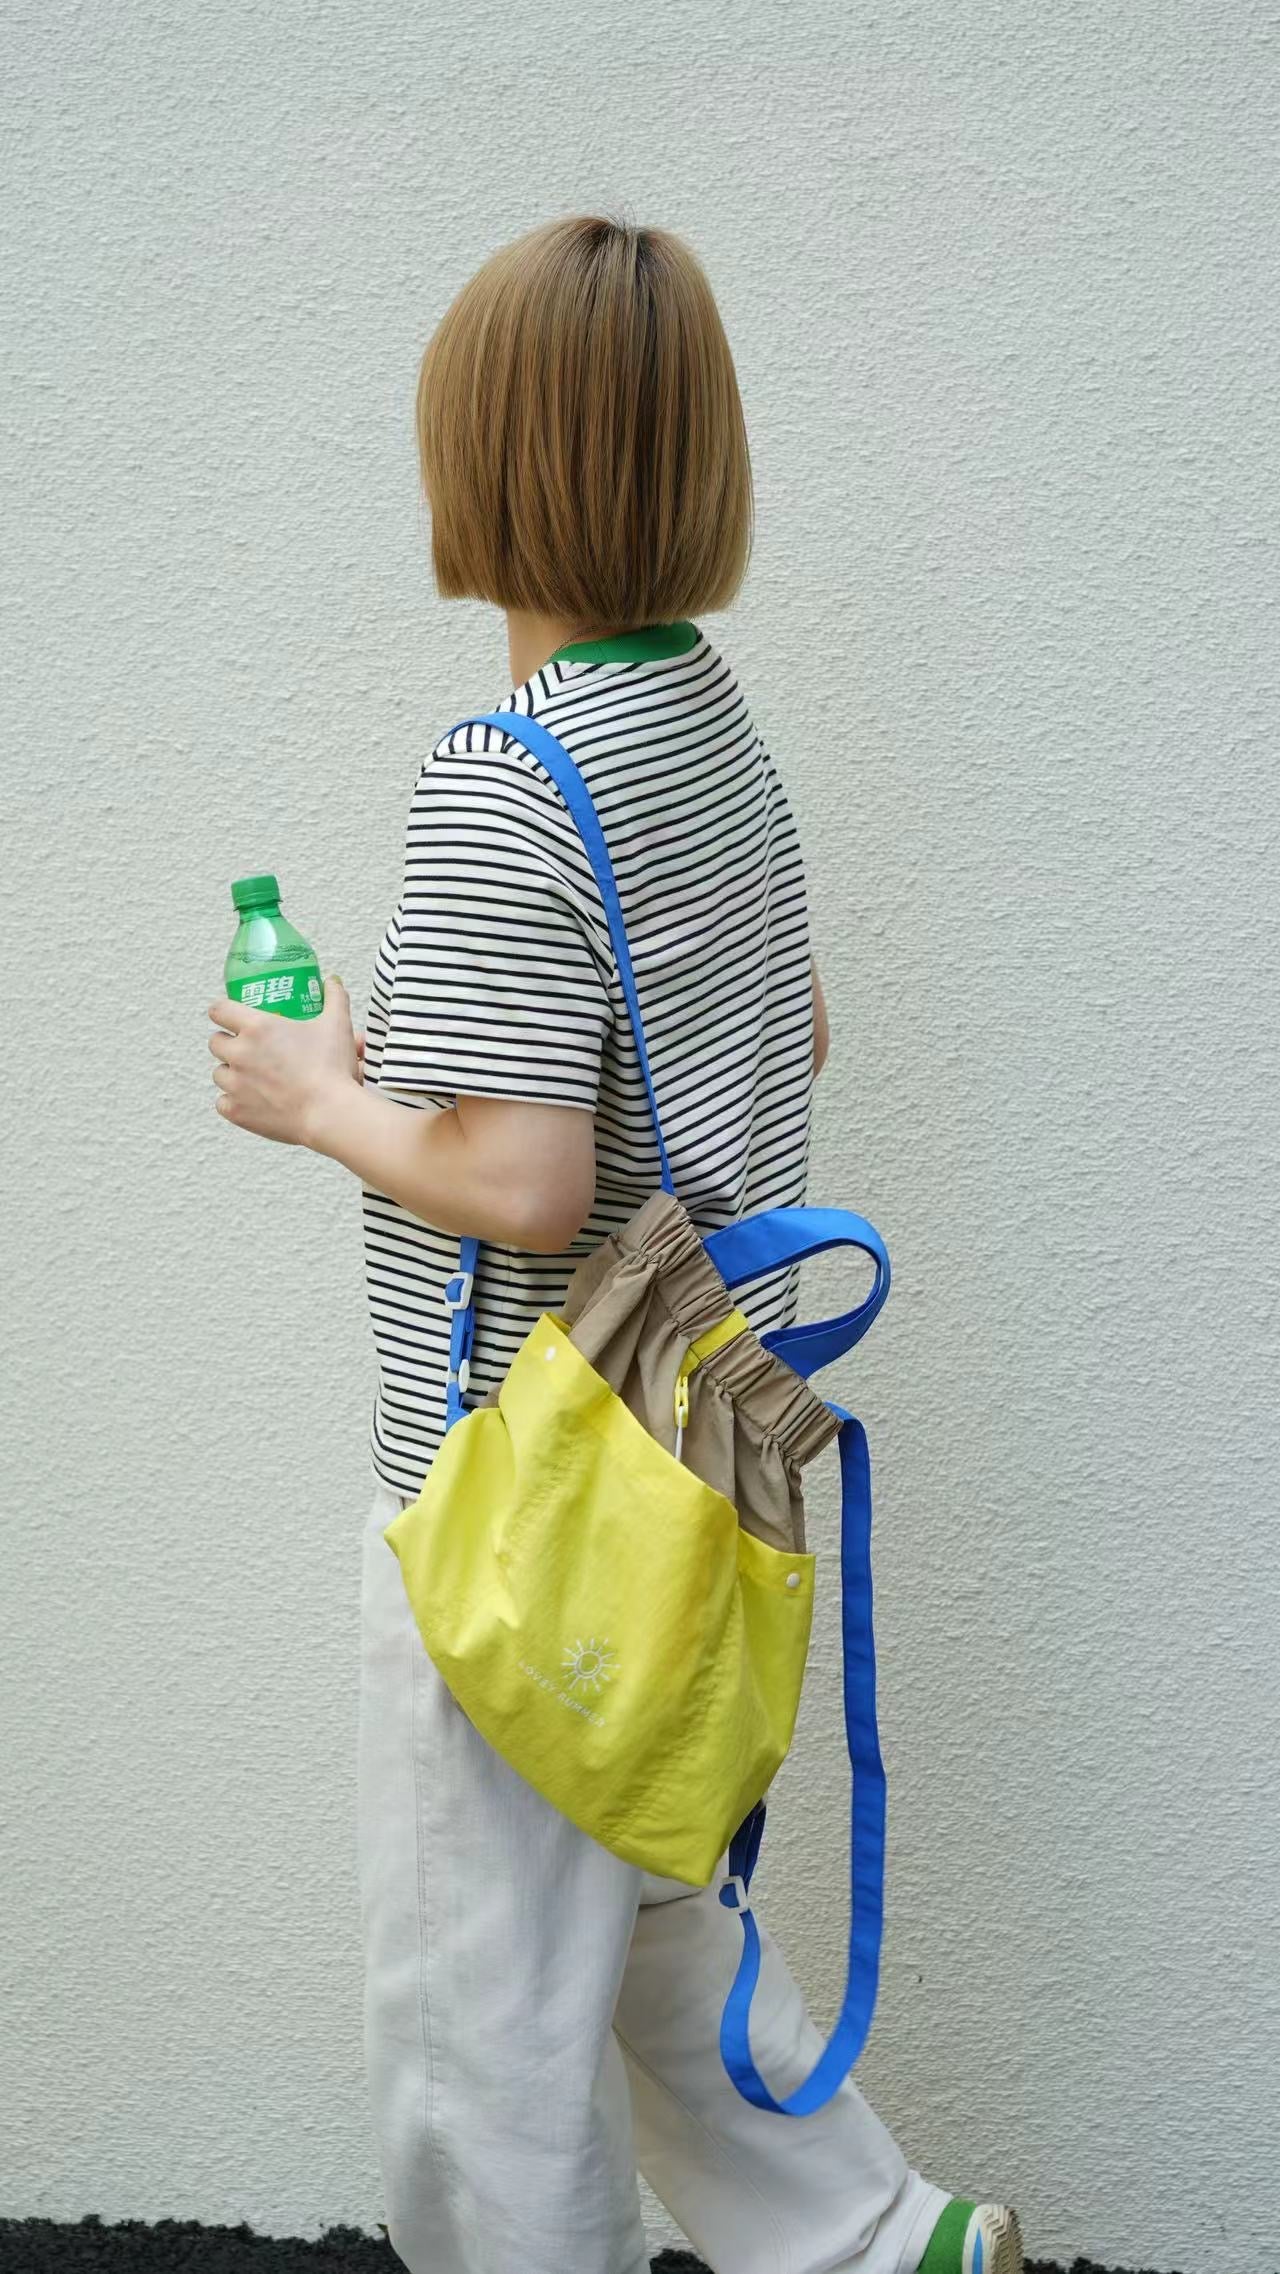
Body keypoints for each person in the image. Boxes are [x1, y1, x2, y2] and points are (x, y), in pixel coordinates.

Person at [207, 213, 1023, 2274]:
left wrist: (323, 1103)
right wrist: (441, 1078)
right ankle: (873, 2242)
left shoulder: (506, 773)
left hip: (522, 1495)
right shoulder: (710, 726)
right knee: (656, 1905)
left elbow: (532, 1186)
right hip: (703, 1442)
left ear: (486, 472)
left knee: (476, 2031)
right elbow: (785, 1028)